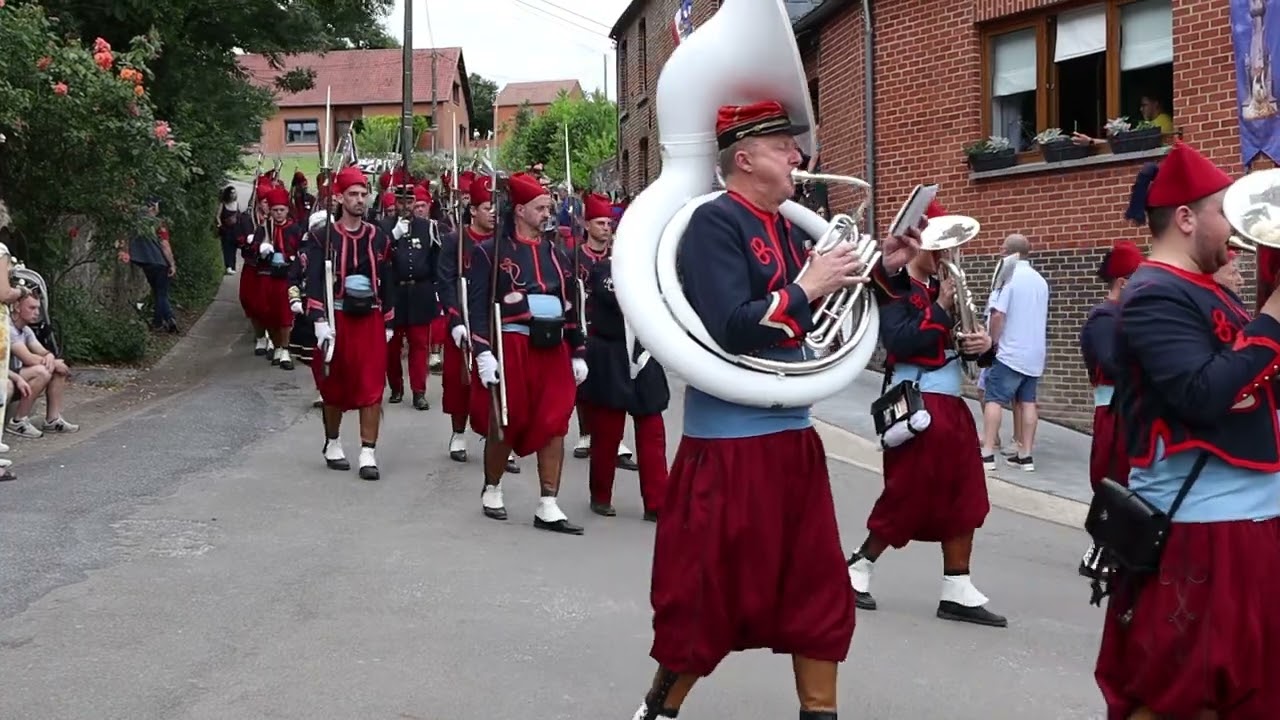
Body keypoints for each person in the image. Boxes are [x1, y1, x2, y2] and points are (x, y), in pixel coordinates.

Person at [628, 99, 921, 720]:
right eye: (783, 145)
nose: (798, 156)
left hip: (794, 444)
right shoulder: (713, 224)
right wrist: (809, 286)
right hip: (728, 452)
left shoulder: (791, 228)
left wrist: (882, 267)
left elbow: (823, 313)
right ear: (744, 158)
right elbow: (732, 328)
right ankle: (658, 710)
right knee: (703, 600)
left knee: (817, 594)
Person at [1094, 141, 1280, 718]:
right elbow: (1201, 395)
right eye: (1225, 211)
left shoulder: (1211, 288)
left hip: (1246, 523)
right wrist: (1273, 320)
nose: (1237, 228)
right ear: (1184, 218)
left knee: (1246, 692)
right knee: (1185, 693)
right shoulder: (1153, 294)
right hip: (1204, 530)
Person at [845, 199, 1005, 628]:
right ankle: (858, 566)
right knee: (907, 494)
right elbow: (898, 342)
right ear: (918, 246)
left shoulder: (942, 291)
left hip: (952, 405)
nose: (946, 258)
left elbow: (973, 358)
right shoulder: (896, 290)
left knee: (966, 497)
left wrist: (983, 347)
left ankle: (957, 585)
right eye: (938, 250)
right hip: (915, 404)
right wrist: (940, 309)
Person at [467, 171, 586, 534]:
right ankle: (492, 487)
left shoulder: (558, 253)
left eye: (549, 207)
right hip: (511, 345)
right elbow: (478, 307)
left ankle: (548, 502)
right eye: (541, 207)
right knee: (505, 420)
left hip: (552, 348)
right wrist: (483, 352)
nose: (548, 213)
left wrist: (578, 349)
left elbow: (572, 303)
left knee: (555, 421)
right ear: (520, 210)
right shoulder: (490, 252)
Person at [578, 195, 666, 519]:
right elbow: (618, 297)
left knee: (653, 431)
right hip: (611, 355)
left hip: (643, 355)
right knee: (607, 433)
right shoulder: (605, 268)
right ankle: (601, 495)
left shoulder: (655, 269)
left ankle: (657, 502)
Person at [303, 166, 394, 480]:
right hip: (336, 317)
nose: (359, 199)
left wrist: (390, 319)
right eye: (353, 194)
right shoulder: (322, 237)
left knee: (371, 384)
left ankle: (368, 451)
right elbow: (313, 281)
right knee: (335, 383)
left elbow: (389, 279)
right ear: (339, 197)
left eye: (363, 194)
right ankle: (332, 441)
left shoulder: (378, 236)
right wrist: (317, 319)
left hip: (369, 317)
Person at [1076, 239, 1143, 579]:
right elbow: (1112, 363)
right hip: (1112, 410)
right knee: (1113, 477)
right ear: (1123, 282)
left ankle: (1114, 550)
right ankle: (1099, 552)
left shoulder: (1125, 315)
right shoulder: (1105, 317)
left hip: (1126, 410)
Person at [570, 193, 637, 470]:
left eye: (609, 223)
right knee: (584, 385)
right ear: (587, 225)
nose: (606, 228)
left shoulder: (619, 257)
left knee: (614, 384)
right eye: (599, 223)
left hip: (614, 330)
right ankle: (586, 434)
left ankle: (615, 438)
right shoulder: (574, 257)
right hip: (584, 325)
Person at [979, 233, 1048, 472]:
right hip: (1034, 354)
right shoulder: (1041, 281)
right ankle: (1025, 455)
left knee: (994, 399)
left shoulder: (1007, 277)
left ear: (1005, 251)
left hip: (1009, 352)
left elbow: (998, 314)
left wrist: (992, 341)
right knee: (1028, 402)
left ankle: (987, 452)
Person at [384, 184, 440, 409]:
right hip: (395, 292)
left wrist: (436, 290)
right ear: (395, 202)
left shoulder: (427, 227)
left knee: (419, 345)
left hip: (420, 291)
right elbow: (380, 255)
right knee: (392, 345)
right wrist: (393, 236)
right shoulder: (384, 227)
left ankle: (419, 391)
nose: (405, 206)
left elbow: (435, 259)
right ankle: (396, 387)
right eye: (401, 202)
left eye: (409, 202)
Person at [8, 292, 79, 437]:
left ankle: (53, 420)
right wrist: (52, 362)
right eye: (32, 308)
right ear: (16, 307)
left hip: (19, 375)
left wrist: (50, 356)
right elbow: (28, 358)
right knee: (42, 371)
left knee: (57, 369)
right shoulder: (8, 329)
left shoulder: (26, 330)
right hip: (7, 375)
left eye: (38, 309)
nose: (36, 313)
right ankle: (18, 421)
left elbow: (41, 351)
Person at [253, 186, 303, 370]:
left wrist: (293, 260)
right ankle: (275, 345)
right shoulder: (264, 228)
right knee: (269, 313)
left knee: (285, 315)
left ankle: (285, 350)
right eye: (275, 210)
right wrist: (260, 249)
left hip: (287, 276)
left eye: (281, 210)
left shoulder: (295, 228)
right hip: (268, 275)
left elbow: (302, 251)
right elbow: (251, 252)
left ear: (287, 210)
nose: (279, 213)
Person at [128, 198, 178, 333]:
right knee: (161, 294)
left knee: (158, 293)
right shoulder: (158, 224)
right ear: (153, 207)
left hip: (145, 263)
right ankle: (168, 319)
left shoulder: (135, 222)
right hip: (160, 262)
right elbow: (165, 245)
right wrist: (172, 264)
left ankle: (159, 322)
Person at [218, 185, 242, 274]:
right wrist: (220, 225)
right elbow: (218, 216)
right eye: (232, 193)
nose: (233, 195)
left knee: (234, 248)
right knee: (227, 248)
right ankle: (228, 265)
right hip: (226, 229)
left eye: (234, 193)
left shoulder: (237, 204)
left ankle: (233, 266)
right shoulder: (223, 204)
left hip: (235, 230)